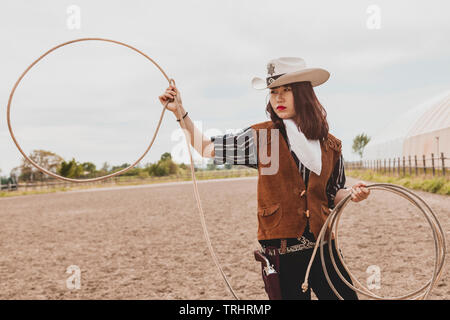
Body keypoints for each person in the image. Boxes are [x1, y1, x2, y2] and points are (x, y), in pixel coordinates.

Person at [159, 57, 370, 300]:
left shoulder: (329, 144)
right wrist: (180, 112)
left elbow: (334, 192)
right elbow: (206, 148)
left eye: (287, 90)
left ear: (304, 94)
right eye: (273, 91)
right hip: (283, 256)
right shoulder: (261, 138)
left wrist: (353, 194)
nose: (278, 98)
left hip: (324, 251)